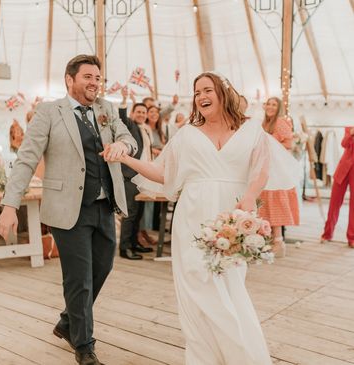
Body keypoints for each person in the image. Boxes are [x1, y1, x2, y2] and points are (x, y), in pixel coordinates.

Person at [102, 72, 296, 364]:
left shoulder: (250, 129)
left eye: (207, 90)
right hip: (192, 217)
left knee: (229, 285)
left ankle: (243, 355)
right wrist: (125, 159)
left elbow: (261, 170)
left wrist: (249, 199)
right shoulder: (187, 134)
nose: (201, 96)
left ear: (223, 93)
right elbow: (163, 173)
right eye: (196, 92)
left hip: (232, 217)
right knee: (196, 285)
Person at [0, 54, 137, 365]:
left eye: (98, 78)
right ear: (69, 80)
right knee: (79, 279)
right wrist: (9, 205)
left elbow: (127, 137)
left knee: (102, 270)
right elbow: (27, 160)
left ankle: (66, 323)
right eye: (88, 77)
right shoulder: (49, 112)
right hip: (67, 210)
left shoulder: (107, 109)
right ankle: (84, 346)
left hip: (105, 205)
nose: (95, 83)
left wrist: (123, 146)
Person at [259, 97, 299, 257]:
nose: (270, 107)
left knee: (275, 202)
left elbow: (289, 144)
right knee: (264, 203)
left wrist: (272, 147)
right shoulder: (264, 124)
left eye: (274, 104)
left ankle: (278, 242)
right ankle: (267, 239)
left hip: (277, 170)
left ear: (279, 108)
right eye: (268, 104)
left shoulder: (281, 122)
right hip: (265, 168)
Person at [118, 86, 153, 259]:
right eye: (138, 111)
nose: (141, 114)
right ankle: (124, 248)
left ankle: (134, 243)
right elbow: (122, 118)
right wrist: (125, 101)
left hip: (144, 175)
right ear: (133, 113)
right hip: (130, 176)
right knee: (130, 212)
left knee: (139, 212)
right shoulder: (130, 126)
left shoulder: (145, 129)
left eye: (143, 112)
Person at [321, 126, 354, 247]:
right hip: (343, 169)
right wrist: (351, 134)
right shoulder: (349, 129)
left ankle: (352, 238)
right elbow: (344, 144)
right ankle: (327, 233)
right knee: (334, 202)